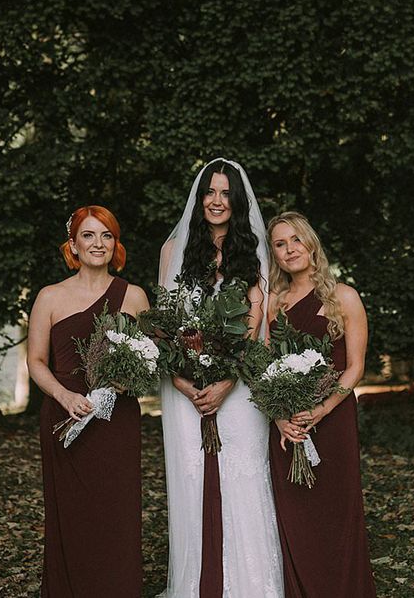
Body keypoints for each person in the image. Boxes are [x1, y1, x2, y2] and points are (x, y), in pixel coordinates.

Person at [159, 158, 284, 597]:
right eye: (209, 192)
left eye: (225, 193)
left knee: (243, 478)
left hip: (240, 381)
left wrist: (229, 378)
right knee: (192, 480)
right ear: (199, 198)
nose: (216, 200)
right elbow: (165, 321)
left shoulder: (251, 253)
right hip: (183, 387)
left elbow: (255, 326)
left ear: (237, 200)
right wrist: (179, 377)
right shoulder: (172, 252)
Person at [27, 205, 149, 597]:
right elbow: (36, 361)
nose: (98, 243)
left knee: (116, 516)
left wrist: (126, 382)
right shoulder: (50, 297)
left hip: (116, 423)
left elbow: (150, 359)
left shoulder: (133, 296)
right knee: (73, 517)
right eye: (89, 235)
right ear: (73, 245)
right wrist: (64, 396)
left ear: (115, 244)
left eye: (106, 236)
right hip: (65, 420)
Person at [266, 211, 376, 597]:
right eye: (280, 243)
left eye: (296, 239)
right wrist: (281, 419)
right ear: (274, 254)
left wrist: (323, 410)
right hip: (288, 427)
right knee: (298, 518)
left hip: (333, 421)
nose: (290, 249)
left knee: (336, 515)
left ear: (311, 244)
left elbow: (355, 368)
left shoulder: (344, 297)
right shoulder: (272, 305)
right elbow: (263, 368)